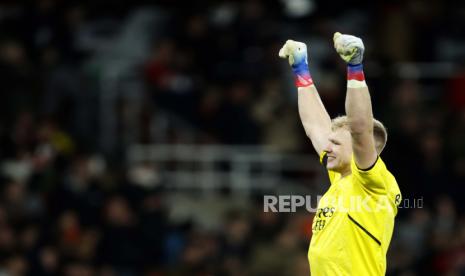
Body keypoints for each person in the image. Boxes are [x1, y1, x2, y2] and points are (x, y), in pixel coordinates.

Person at [279, 33, 402, 275]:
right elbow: (315, 127)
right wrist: (300, 69)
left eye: (336, 142)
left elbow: (359, 128)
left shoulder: (373, 183)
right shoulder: (341, 178)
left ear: (359, 147)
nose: (327, 147)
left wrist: (355, 66)